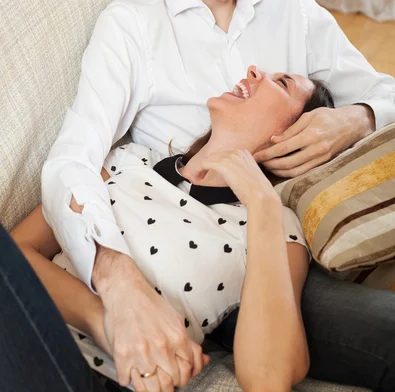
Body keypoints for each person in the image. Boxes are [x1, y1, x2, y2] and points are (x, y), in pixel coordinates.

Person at [40, 0, 395, 391]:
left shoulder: (290, 4)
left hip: (262, 239)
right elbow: (72, 162)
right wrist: (116, 281)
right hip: (170, 223)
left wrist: (355, 118)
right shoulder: (132, 26)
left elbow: (388, 95)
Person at [12, 67, 333, 392]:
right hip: (24, 324)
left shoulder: (269, 223)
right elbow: (16, 252)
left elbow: (267, 380)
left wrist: (262, 200)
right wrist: (106, 321)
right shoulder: (129, 159)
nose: (254, 70)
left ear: (294, 136)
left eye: (282, 83)